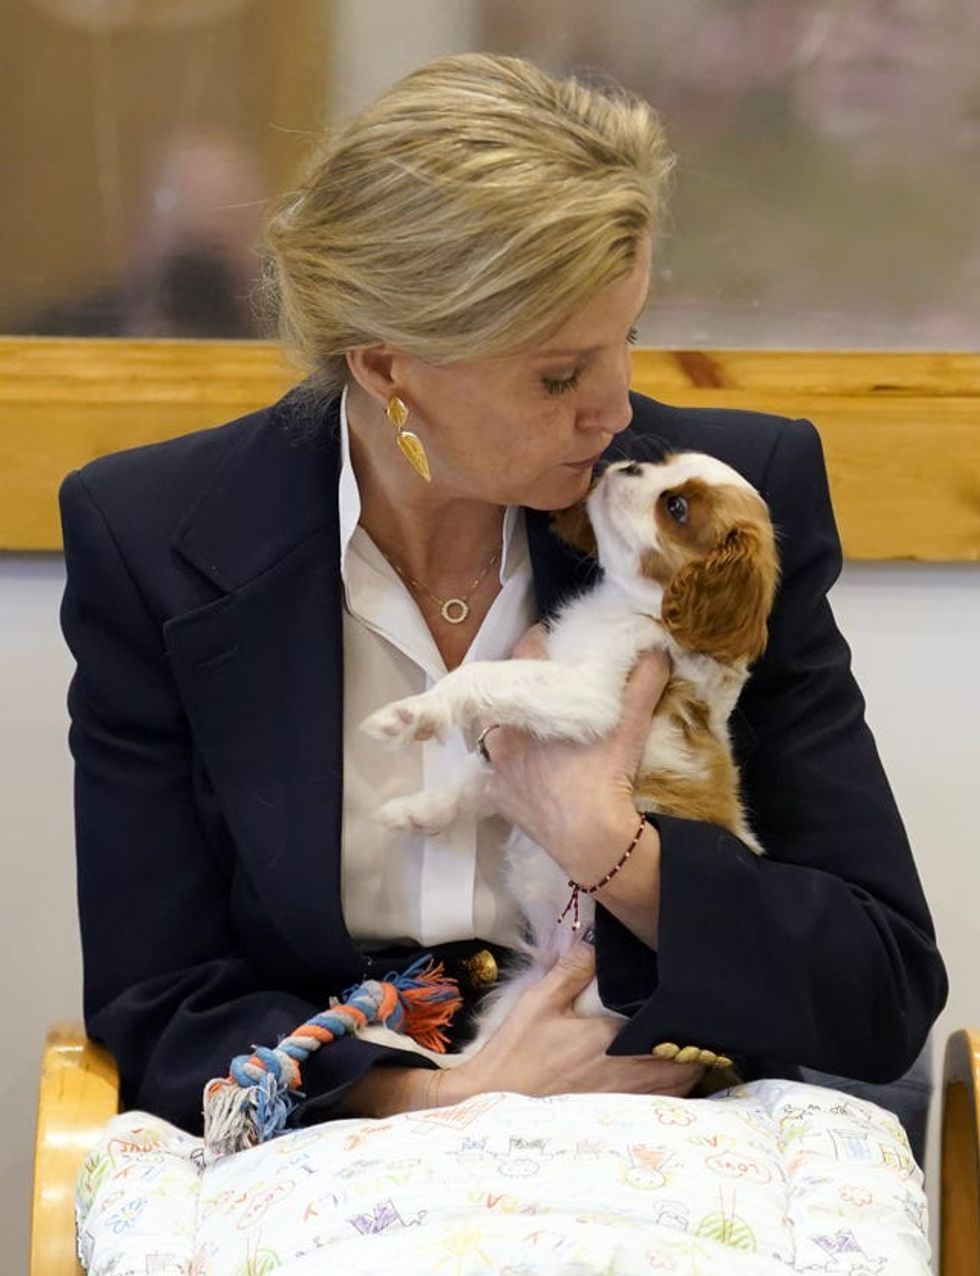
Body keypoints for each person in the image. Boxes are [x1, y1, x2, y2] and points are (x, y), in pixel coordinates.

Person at [59, 53, 946, 1144]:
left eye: (623, 337)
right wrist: (438, 1097)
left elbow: (879, 984)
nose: (616, 414)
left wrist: (612, 845)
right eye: (557, 374)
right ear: (389, 368)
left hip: (671, 1122)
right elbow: (160, 998)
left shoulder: (710, 510)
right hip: (341, 1141)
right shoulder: (152, 536)